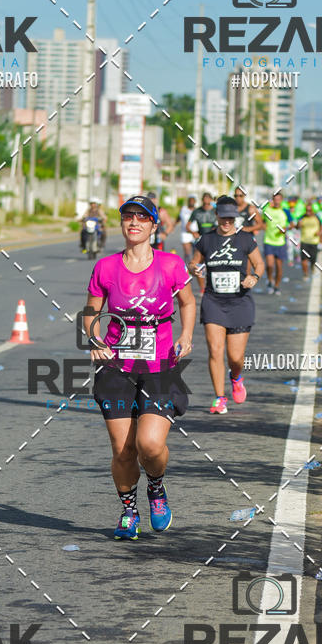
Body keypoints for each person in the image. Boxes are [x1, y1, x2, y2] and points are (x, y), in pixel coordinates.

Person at [84, 194, 195, 540]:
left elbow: (188, 302)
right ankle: (129, 511)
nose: (134, 222)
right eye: (128, 217)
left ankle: (157, 488)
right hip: (117, 366)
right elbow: (91, 309)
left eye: (142, 218)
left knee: (149, 444)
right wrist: (94, 338)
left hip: (159, 365)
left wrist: (187, 334)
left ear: (153, 225)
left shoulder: (171, 264)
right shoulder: (105, 267)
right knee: (123, 449)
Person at [189, 195, 264, 415]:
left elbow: (258, 263)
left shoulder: (245, 240)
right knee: (215, 350)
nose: (227, 222)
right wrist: (193, 268)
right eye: (223, 217)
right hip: (213, 301)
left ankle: (236, 377)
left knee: (235, 358)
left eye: (231, 218)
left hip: (240, 303)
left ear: (235, 217)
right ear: (217, 216)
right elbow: (194, 261)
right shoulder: (206, 239)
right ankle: (219, 398)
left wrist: (255, 278)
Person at [261, 191, 291, 295]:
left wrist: (285, 229)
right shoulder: (267, 210)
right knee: (269, 265)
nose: (277, 201)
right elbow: (261, 221)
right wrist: (262, 226)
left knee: (279, 267)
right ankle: (270, 280)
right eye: (275, 199)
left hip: (280, 242)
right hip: (268, 240)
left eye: (279, 199)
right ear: (272, 200)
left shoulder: (285, 211)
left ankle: (277, 286)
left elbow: (292, 224)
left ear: (281, 200)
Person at [297, 201, 322, 280]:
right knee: (304, 259)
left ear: (312, 210)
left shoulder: (317, 217)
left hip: (314, 242)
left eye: (309, 210)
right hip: (304, 241)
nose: (308, 212)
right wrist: (299, 224)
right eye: (306, 210)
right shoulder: (302, 217)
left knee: (313, 259)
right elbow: (297, 226)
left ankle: (312, 267)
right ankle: (305, 274)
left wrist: (320, 232)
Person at [179, 195, 196, 261]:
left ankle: (194, 268)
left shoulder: (197, 210)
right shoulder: (183, 209)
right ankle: (186, 268)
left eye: (193, 200)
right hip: (185, 233)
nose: (191, 202)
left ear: (195, 202)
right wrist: (173, 225)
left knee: (195, 253)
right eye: (190, 200)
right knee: (187, 253)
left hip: (195, 233)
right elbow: (178, 218)